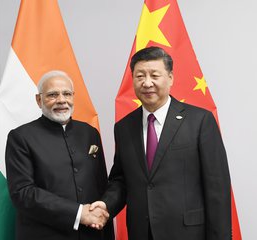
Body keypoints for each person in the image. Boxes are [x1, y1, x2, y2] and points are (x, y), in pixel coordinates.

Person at [91, 46, 232, 240]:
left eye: (154, 75)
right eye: (140, 76)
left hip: (189, 233)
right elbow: (121, 179)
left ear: (170, 78)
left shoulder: (200, 121)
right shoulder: (124, 127)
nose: (147, 83)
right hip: (141, 232)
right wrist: (106, 204)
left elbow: (217, 186)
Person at [5, 70, 114, 240]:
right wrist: (79, 213)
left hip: (92, 233)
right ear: (39, 100)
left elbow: (100, 183)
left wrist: (101, 214)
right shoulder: (21, 137)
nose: (61, 100)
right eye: (52, 95)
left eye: (67, 94)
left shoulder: (89, 133)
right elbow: (23, 192)